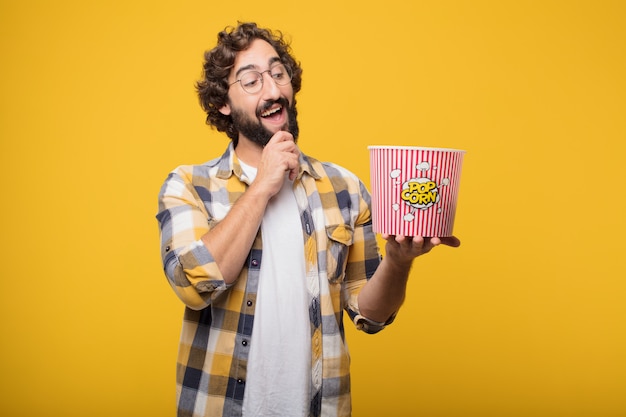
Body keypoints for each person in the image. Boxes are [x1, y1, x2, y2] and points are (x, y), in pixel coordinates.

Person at [156, 22, 460, 417]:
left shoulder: (345, 188)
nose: (273, 90)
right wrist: (262, 186)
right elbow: (194, 284)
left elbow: (370, 315)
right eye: (250, 81)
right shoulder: (188, 186)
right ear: (222, 104)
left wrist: (399, 262)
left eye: (278, 73)